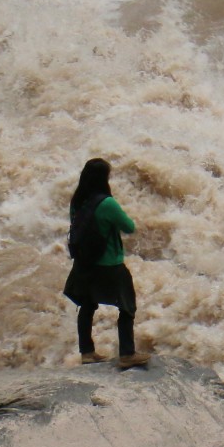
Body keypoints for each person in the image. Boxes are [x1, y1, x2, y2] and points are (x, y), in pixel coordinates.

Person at [62, 157, 149, 368]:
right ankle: (127, 354)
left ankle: (87, 353)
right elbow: (129, 227)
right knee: (127, 307)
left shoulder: (77, 200)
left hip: (84, 263)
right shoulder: (107, 203)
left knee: (87, 306)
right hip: (110, 265)